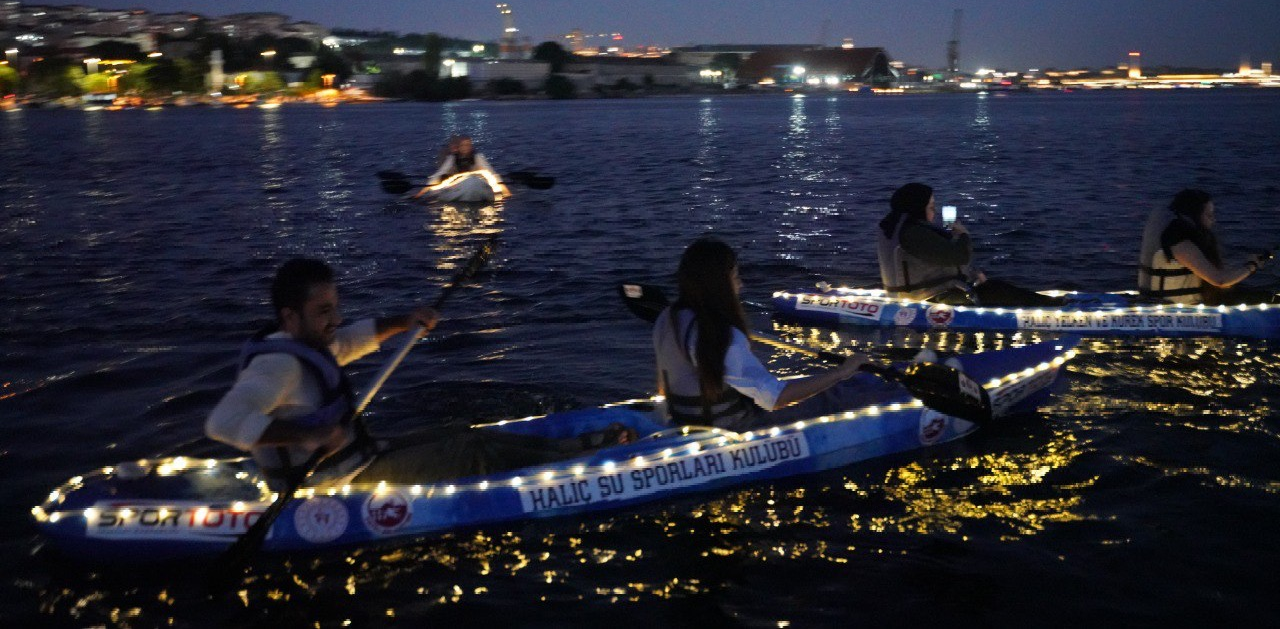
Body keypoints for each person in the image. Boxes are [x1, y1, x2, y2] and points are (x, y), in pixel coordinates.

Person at [205, 258, 630, 491]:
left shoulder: (306, 342)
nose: (335, 319)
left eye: (335, 307)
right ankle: (584, 461)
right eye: (323, 311)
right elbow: (222, 423)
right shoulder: (276, 365)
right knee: (466, 452)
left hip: (355, 459)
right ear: (289, 316)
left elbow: (352, 339)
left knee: (461, 431)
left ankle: (572, 448)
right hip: (327, 483)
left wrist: (405, 320)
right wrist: (307, 437)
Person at [653, 237, 870, 431]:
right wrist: (842, 372)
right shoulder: (721, 335)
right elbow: (774, 398)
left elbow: (663, 388)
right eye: (735, 277)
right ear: (718, 284)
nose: (740, 285)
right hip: (730, 427)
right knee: (831, 398)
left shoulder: (667, 318)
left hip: (685, 421)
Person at [876, 182, 1062, 307]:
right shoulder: (913, 233)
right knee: (994, 290)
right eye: (931, 207)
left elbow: (936, 263)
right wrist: (963, 235)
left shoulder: (895, 227)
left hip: (918, 295)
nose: (934, 212)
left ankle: (1048, 302)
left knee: (990, 287)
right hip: (929, 298)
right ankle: (1054, 307)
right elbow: (958, 256)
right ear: (917, 207)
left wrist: (972, 275)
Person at [1138, 189, 1274, 305]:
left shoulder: (1178, 234)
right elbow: (1220, 280)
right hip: (1176, 309)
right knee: (1267, 299)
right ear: (1193, 216)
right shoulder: (1179, 242)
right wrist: (1252, 266)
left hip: (1185, 303)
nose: (1213, 220)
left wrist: (1243, 265)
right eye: (1209, 215)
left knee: (1264, 296)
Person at [415, 134, 510, 198]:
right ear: (459, 147)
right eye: (463, 145)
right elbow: (439, 173)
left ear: (471, 146)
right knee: (442, 177)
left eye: (468, 145)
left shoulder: (477, 157)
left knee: (479, 178)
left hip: (476, 180)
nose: (466, 147)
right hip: (456, 183)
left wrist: (506, 191)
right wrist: (421, 193)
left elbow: (491, 173)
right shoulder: (452, 158)